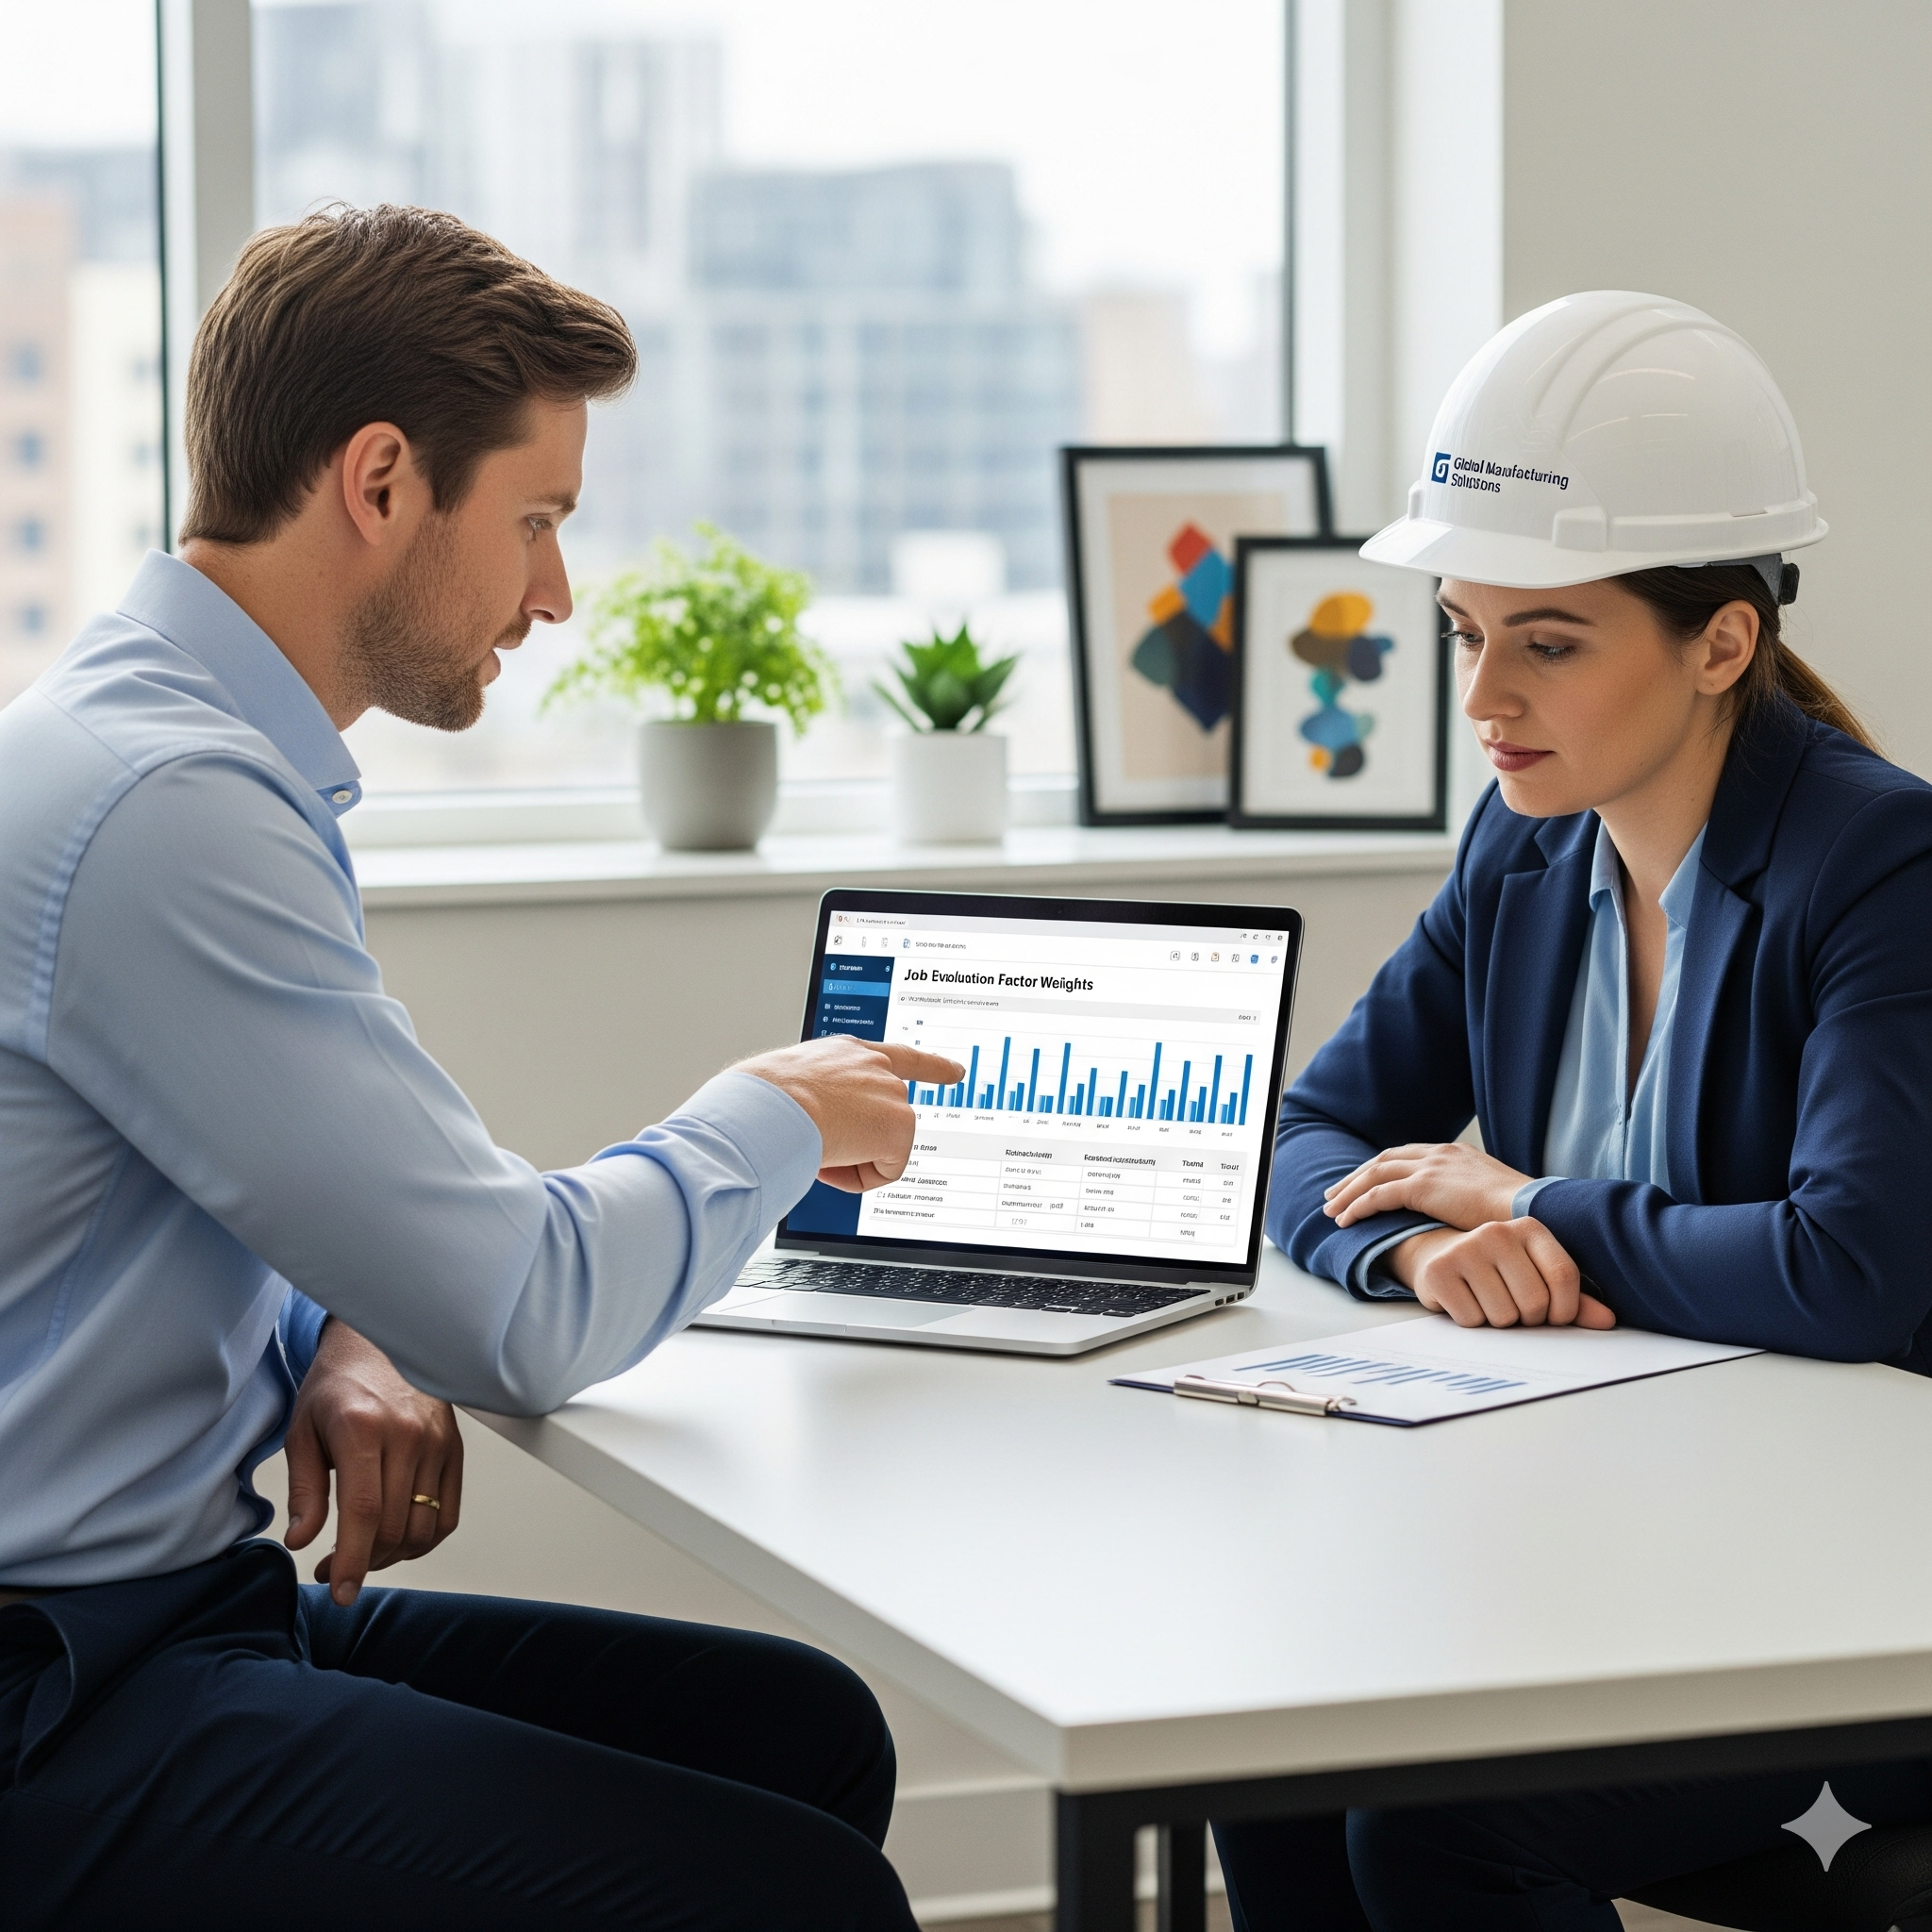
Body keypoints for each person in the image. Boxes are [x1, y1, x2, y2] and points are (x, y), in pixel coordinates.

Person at [0, 205, 964, 1930]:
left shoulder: (163, 741)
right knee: (789, 1894)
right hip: (59, 1696)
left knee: (797, 1733)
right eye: (535, 520)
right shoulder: (172, 810)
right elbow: (519, 1311)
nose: (554, 592)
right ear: (379, 481)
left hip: (164, 1607)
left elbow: (245, 1196)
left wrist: (338, 1330)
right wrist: (775, 1116)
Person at [1213, 291, 1932, 1929]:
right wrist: (1418, 1259)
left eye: (1548, 641)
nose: (1484, 698)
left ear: (1720, 642)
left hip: (1849, 1598)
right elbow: (1306, 1139)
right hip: (1615, 1550)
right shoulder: (1525, 845)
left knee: (1436, 1832)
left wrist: (1534, 1207)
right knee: (1257, 1749)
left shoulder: (1881, 864)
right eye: (1470, 632)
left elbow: (1851, 1271)